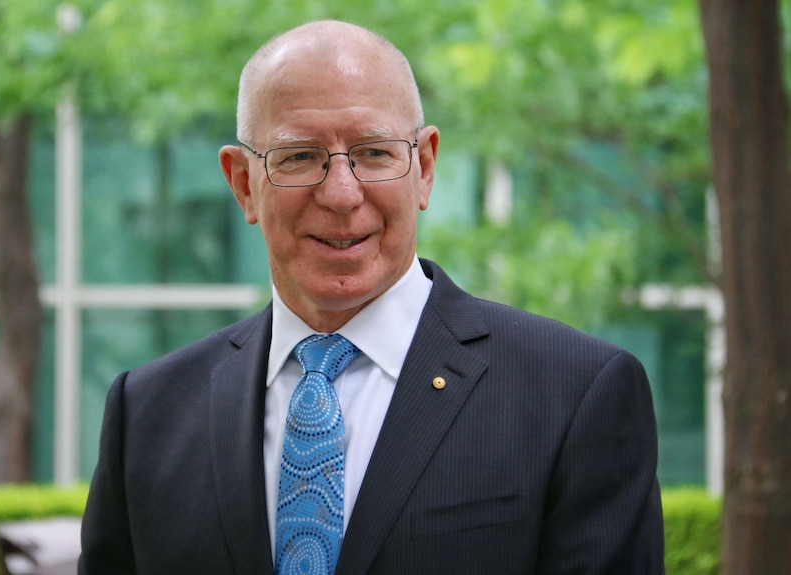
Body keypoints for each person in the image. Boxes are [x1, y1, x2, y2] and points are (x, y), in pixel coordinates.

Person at [79, 19, 664, 575]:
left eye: (374, 153)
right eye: (300, 156)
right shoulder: (148, 413)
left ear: (425, 167)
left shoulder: (573, 394)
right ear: (242, 184)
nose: (340, 193)